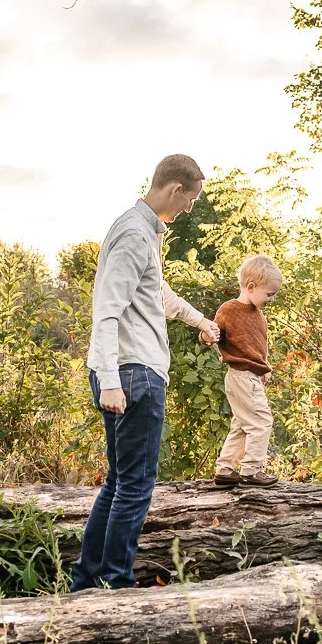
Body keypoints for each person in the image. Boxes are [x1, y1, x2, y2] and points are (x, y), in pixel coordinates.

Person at [72, 154, 219, 591]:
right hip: (132, 372)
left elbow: (158, 294)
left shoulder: (140, 232)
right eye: (190, 199)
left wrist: (201, 322)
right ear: (175, 190)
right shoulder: (136, 234)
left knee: (119, 482)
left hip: (128, 371)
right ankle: (115, 584)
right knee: (135, 487)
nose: (190, 208)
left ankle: (86, 582)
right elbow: (107, 310)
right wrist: (111, 379)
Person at [210, 254, 284, 487]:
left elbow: (257, 345)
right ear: (251, 287)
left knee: (242, 424)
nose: (272, 299)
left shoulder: (258, 315)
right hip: (240, 376)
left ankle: (225, 469)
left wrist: (263, 368)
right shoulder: (230, 309)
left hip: (251, 375)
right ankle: (251, 470)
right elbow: (213, 332)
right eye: (269, 294)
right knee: (261, 421)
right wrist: (206, 335)